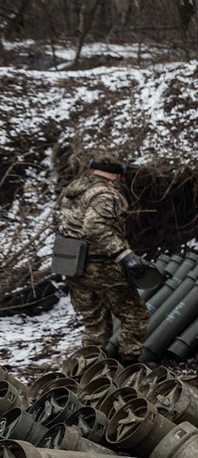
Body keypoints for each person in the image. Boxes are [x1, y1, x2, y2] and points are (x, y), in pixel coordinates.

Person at [55, 154, 155, 365]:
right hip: (100, 266)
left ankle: (89, 371)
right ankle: (128, 367)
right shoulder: (105, 194)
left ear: (93, 170)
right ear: (118, 175)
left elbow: (68, 224)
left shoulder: (75, 189)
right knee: (135, 316)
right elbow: (95, 228)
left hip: (72, 262)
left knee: (94, 323)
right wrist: (124, 256)